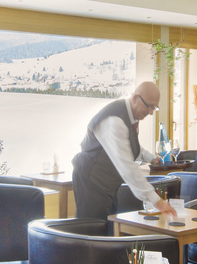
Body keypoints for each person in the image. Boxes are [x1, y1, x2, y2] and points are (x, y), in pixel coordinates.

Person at [71, 81, 178, 221]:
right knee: (93, 229)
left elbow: (131, 146)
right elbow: (126, 164)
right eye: (149, 106)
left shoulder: (132, 117)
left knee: (109, 227)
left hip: (108, 185)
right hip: (92, 181)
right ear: (135, 98)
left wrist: (152, 158)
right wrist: (156, 200)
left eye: (154, 108)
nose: (151, 112)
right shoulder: (114, 120)